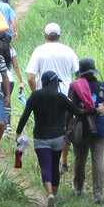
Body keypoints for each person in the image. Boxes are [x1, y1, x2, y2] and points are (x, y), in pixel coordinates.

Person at [15, 71, 100, 207]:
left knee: (45, 166)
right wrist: (96, 110)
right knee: (55, 166)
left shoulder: (35, 96)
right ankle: (54, 195)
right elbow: (79, 112)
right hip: (58, 138)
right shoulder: (61, 97)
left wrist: (18, 132)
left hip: (41, 137)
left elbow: (25, 115)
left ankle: (49, 193)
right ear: (55, 83)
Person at [24, 22, 79, 172]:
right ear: (59, 36)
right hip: (66, 95)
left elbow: (31, 77)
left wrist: (35, 93)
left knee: (44, 126)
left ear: (45, 36)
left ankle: (47, 158)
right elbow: (78, 74)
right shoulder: (68, 51)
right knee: (65, 126)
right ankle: (63, 161)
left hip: (44, 98)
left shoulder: (39, 51)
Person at [68, 57, 104, 204]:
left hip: (82, 127)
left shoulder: (74, 87)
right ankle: (98, 193)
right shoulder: (103, 86)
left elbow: (70, 109)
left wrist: (67, 127)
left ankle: (78, 188)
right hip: (100, 126)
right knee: (98, 159)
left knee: (80, 158)